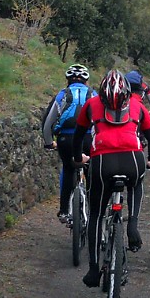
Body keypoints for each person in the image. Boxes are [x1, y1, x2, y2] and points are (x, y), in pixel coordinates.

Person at [72, 70, 150, 288]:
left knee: (96, 214)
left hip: (102, 162)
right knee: (137, 183)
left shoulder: (91, 105)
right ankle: (132, 225)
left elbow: (78, 136)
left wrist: (77, 158)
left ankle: (94, 269)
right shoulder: (138, 106)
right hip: (133, 159)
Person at [42, 64, 95, 224]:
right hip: (87, 139)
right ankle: (94, 209)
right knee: (92, 171)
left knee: (68, 168)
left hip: (66, 139)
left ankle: (64, 211)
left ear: (68, 80)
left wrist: (49, 142)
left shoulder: (62, 95)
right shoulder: (93, 95)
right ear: (86, 81)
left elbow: (47, 122)